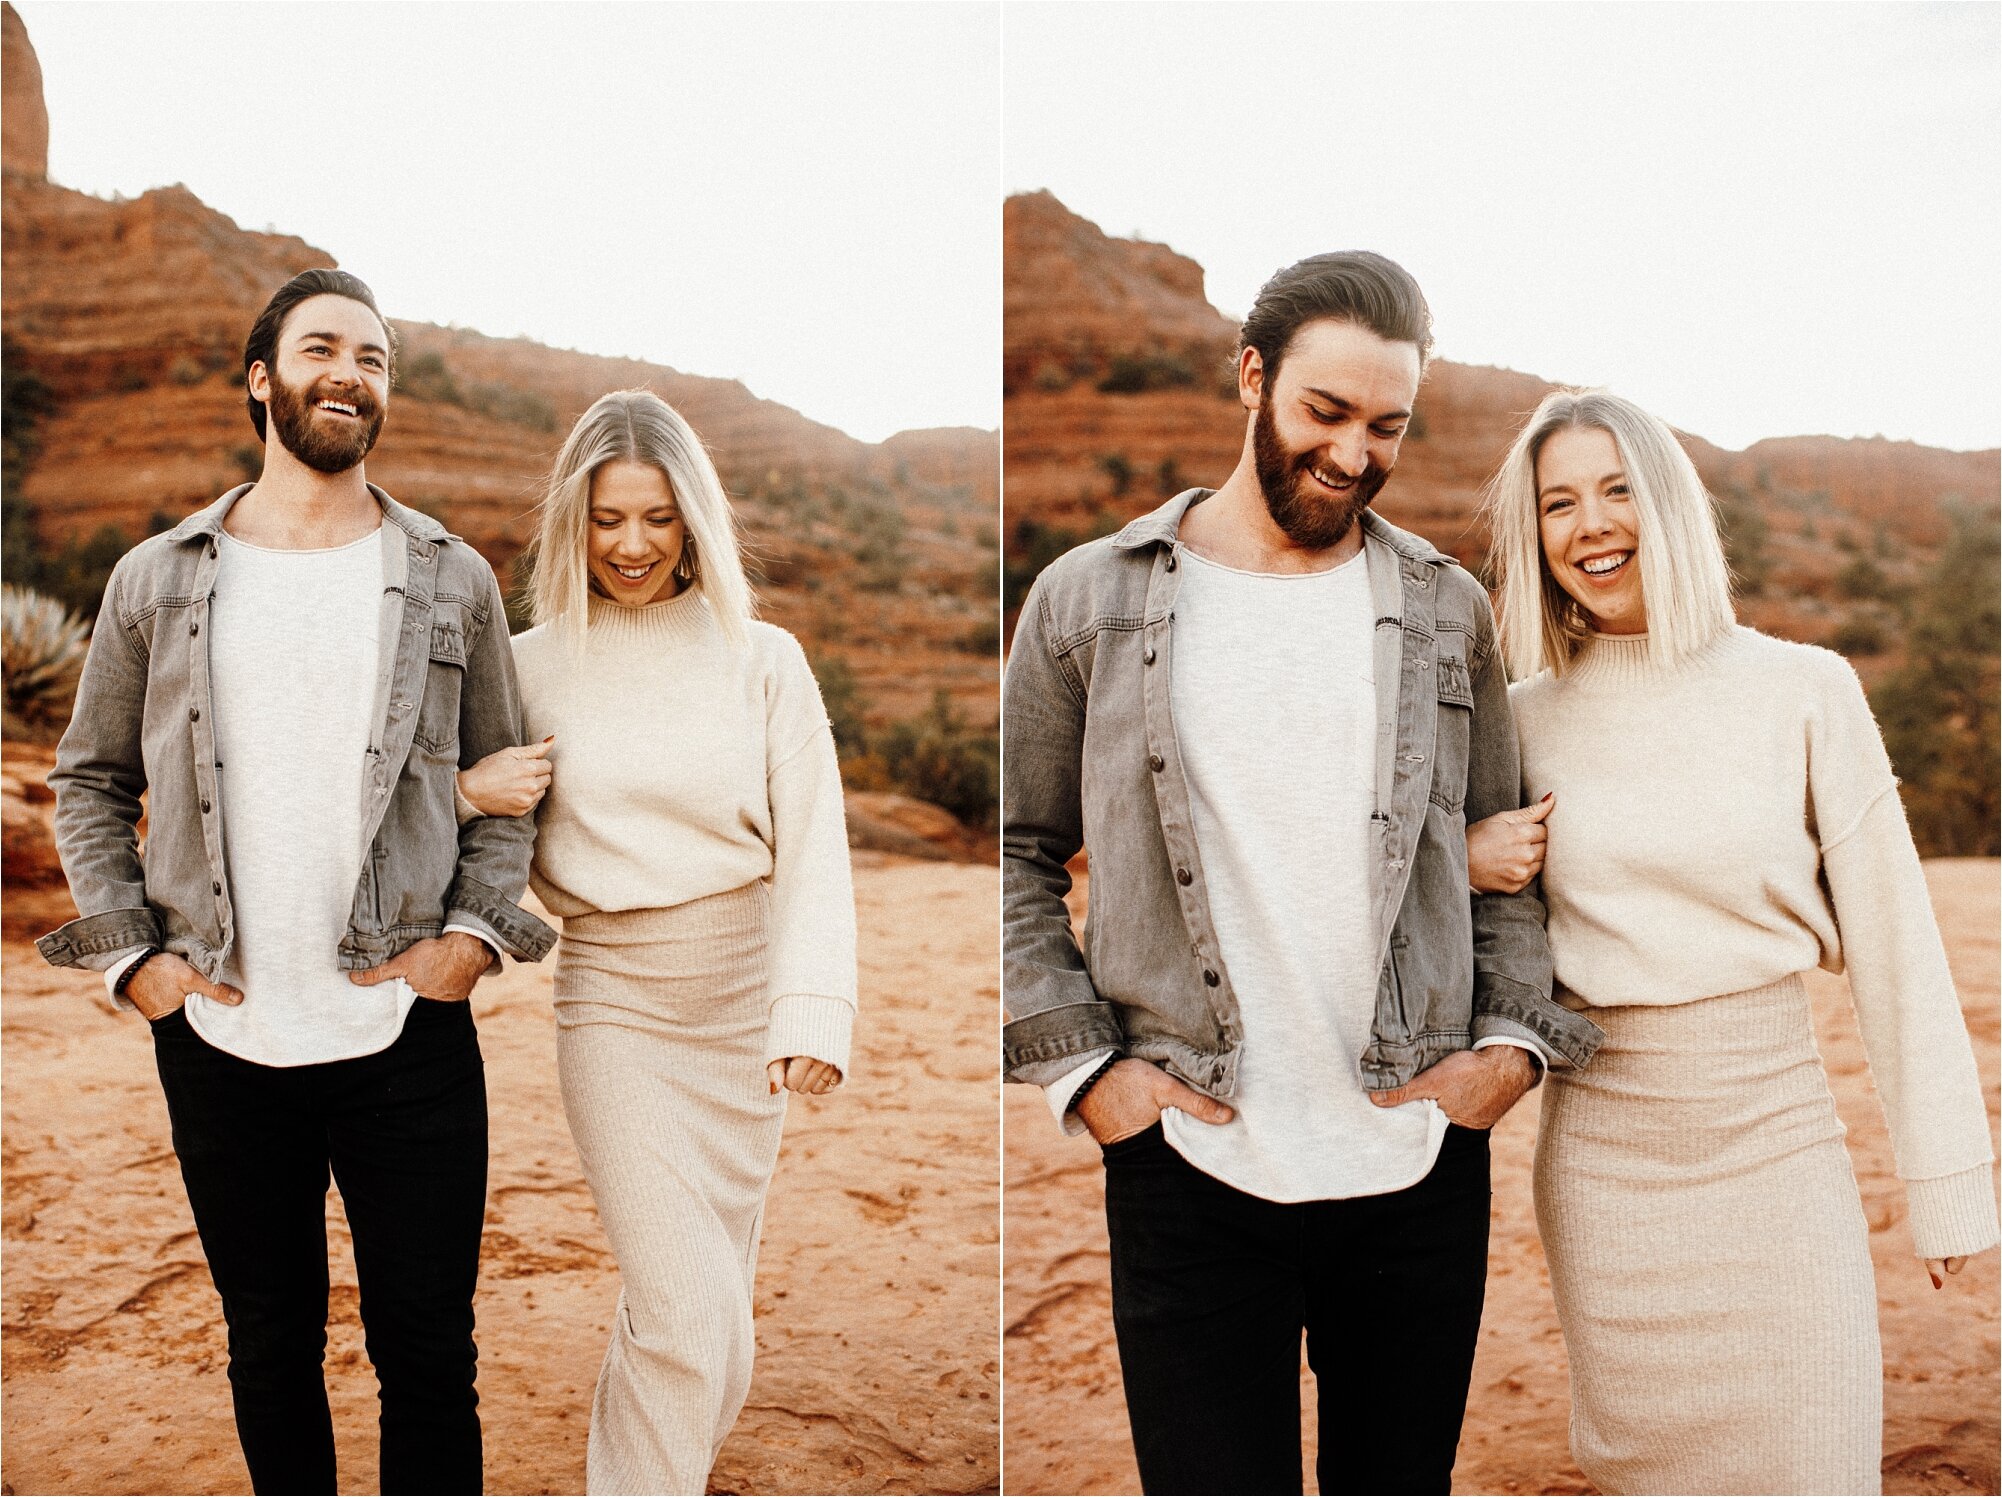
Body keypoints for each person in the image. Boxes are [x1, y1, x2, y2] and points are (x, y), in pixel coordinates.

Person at [1001, 252, 1601, 1496]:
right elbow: (1017, 856)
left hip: (1415, 1159)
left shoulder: (1446, 609)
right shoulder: (1086, 601)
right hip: (1187, 1158)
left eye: (1387, 426)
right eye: (1325, 414)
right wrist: (1091, 1078)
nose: (1353, 454)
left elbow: (1507, 855)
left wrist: (1504, 1058)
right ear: (1251, 376)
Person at [36, 267, 553, 1495]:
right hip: (219, 1031)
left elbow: (504, 779)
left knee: (429, 1350)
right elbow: (89, 780)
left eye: (373, 359)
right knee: (270, 1345)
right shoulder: (157, 577)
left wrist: (469, 944)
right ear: (262, 378)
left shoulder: (452, 576)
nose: (350, 376)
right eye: (323, 349)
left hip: (407, 1034)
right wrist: (136, 964)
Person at [1466, 388, 1998, 1495]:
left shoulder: (1803, 691)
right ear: (1533, 534)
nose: (1590, 525)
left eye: (1617, 489)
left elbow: (1898, 949)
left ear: (1669, 504)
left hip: (1774, 1149)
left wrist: (1945, 1180)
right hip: (1604, 1170)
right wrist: (1460, 857)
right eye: (1556, 502)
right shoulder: (1512, 720)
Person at [453, 388, 857, 1495]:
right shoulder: (524, 665)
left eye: (657, 518)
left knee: (714, 1320)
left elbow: (816, 841)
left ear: (695, 522)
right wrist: (456, 792)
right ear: (569, 523)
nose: (631, 545)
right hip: (614, 1006)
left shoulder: (763, 658)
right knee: (685, 1307)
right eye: (606, 519)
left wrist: (813, 1007)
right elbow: (417, 813)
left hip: (744, 1006)